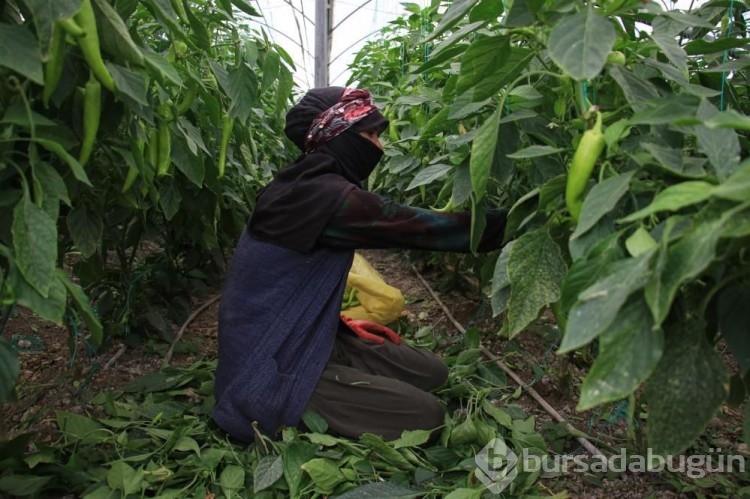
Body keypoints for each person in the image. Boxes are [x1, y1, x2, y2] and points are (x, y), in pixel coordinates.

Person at [212, 86, 507, 443]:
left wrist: (342, 327)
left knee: (433, 372)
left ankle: (337, 366)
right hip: (269, 367)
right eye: (370, 135)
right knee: (428, 416)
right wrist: (520, 219)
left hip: (306, 338)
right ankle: (278, 407)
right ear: (337, 135)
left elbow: (281, 288)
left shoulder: (304, 187)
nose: (379, 148)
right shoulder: (317, 198)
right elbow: (421, 229)